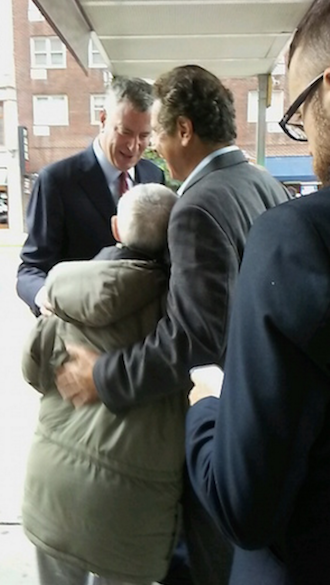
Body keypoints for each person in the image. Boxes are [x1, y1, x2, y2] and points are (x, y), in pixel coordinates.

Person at [54, 64, 291, 584]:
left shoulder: (197, 207)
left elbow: (194, 339)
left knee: (209, 565)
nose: (154, 148)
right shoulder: (262, 183)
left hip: (222, 426)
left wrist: (103, 376)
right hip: (270, 421)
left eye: (158, 131)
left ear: (184, 129)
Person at [185, 1, 330, 583]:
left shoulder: (299, 237)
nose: (306, 139)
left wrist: (206, 407)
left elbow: (244, 505)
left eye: (299, 112)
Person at [21, 182, 187, 585]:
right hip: (129, 508)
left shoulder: (65, 290)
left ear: (115, 229)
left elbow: (31, 368)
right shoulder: (179, 313)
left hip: (54, 488)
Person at [16, 75, 165, 317]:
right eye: (125, 132)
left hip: (140, 334)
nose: (133, 146)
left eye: (144, 136)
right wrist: (44, 296)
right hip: (77, 327)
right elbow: (31, 269)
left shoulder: (153, 175)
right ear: (103, 119)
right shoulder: (57, 180)